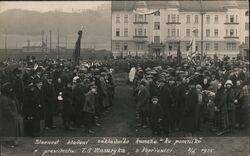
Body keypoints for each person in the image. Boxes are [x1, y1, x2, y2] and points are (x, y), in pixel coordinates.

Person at [0, 82, 19, 147]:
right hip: (8, 118)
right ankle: (8, 143)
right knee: (8, 131)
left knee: (11, 131)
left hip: (11, 118)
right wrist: (12, 115)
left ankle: (12, 141)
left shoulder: (9, 96)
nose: (11, 90)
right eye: (10, 89)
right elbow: (6, 109)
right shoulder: (4, 98)